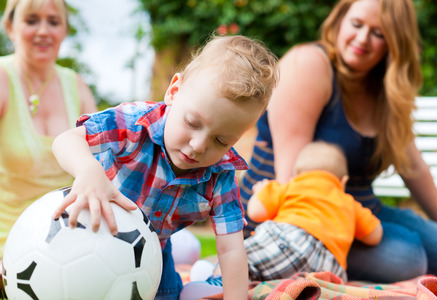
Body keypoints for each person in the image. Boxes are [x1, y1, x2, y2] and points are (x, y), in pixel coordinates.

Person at [51, 35, 279, 300]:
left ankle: (202, 281)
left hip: (151, 250)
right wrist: (89, 171)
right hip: (91, 234)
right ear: (174, 92)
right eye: (192, 122)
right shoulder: (133, 123)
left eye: (221, 140)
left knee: (169, 295)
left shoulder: (221, 173)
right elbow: (65, 140)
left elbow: (231, 249)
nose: (198, 145)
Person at [239, 0, 437, 283]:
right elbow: (290, 181)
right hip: (292, 216)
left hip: (357, 210)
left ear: (395, 42)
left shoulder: (386, 90)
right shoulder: (309, 65)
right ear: (340, 19)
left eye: (379, 33)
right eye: (357, 24)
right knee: (408, 258)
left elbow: (414, 168)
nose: (362, 39)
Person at [0, 0, 97, 260]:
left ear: (64, 31)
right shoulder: (2, 77)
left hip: (69, 239)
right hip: (7, 240)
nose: (43, 31)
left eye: (53, 22)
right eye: (32, 20)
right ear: (10, 27)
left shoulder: (77, 86)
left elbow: (104, 161)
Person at [245, 141, 382, 282]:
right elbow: (375, 236)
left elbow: (256, 213)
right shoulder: (350, 203)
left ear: (296, 174)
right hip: (327, 267)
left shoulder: (290, 186)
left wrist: (261, 191)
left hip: (290, 240)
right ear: (343, 181)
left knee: (239, 261)